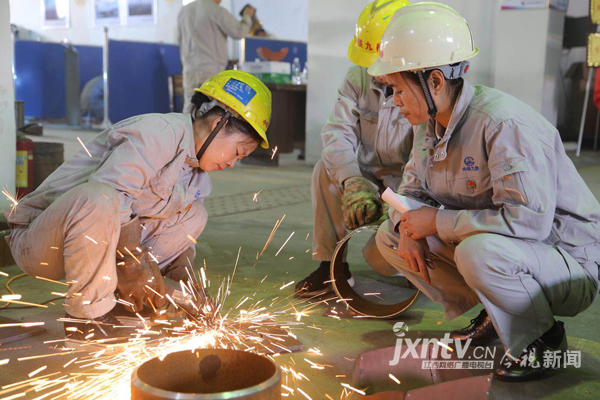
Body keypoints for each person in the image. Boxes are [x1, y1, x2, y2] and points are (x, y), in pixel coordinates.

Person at [368, 2, 600, 382]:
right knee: (389, 236)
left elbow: (529, 222)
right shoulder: (428, 126)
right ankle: (499, 312)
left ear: (435, 81)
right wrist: (406, 226)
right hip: (508, 250)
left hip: (566, 261)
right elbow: (412, 191)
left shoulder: (503, 125)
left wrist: (436, 221)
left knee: (478, 252)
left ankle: (542, 338)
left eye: (397, 89)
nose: (394, 101)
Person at [5, 71, 271, 342]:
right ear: (218, 124)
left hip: (95, 251)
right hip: (41, 244)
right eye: (238, 152)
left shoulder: (197, 176)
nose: (232, 163)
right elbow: (112, 193)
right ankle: (85, 318)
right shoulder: (158, 133)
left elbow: (174, 237)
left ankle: (128, 300)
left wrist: (183, 282)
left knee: (195, 215)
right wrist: (132, 264)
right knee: (102, 196)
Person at [295, 0, 413, 298]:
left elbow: (428, 156)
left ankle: (421, 266)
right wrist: (352, 181)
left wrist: (402, 200)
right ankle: (330, 267)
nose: (374, 71)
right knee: (325, 170)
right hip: (370, 175)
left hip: (411, 184)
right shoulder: (357, 77)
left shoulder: (423, 87)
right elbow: (338, 132)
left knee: (380, 260)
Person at [177, 0, 256, 111]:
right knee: (211, 109)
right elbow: (239, 32)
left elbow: (179, 40)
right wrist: (247, 17)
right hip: (211, 71)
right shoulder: (216, 11)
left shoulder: (184, 11)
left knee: (189, 107)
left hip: (189, 70)